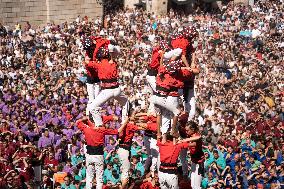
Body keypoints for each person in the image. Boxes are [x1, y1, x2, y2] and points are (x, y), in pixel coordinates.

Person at [87, 44, 129, 127]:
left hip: (107, 91)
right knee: (126, 102)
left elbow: (87, 63)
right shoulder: (113, 62)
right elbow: (114, 52)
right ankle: (124, 121)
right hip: (117, 90)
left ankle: (99, 125)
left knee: (92, 107)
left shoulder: (98, 64)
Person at [76, 115, 122, 189]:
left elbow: (77, 122)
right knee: (99, 178)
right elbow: (118, 131)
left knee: (89, 177)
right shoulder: (102, 130)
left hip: (89, 156)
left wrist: (83, 119)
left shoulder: (86, 129)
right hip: (98, 156)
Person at [179, 121, 204, 189]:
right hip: (193, 162)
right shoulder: (190, 135)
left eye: (187, 130)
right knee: (192, 185)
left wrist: (185, 141)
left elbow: (198, 138)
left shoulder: (196, 135)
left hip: (199, 163)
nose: (186, 132)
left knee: (197, 186)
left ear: (192, 130)